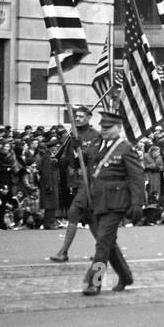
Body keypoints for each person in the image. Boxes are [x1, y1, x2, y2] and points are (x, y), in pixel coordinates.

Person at [82, 110, 144, 296]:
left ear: (118, 128)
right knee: (108, 242)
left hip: (116, 202)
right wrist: (75, 148)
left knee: (102, 243)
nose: (104, 130)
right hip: (96, 201)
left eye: (108, 128)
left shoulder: (126, 148)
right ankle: (125, 276)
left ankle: (95, 282)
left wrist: (137, 203)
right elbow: (82, 164)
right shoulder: (96, 145)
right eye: (102, 127)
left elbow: (136, 178)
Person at [51, 106, 99, 261]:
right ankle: (106, 249)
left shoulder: (95, 136)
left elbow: (94, 159)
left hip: (90, 181)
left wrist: (81, 152)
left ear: (89, 117)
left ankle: (63, 252)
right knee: (90, 218)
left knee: (74, 212)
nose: (77, 119)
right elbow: (67, 158)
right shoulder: (72, 135)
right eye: (76, 116)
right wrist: (57, 161)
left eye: (81, 116)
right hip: (76, 182)